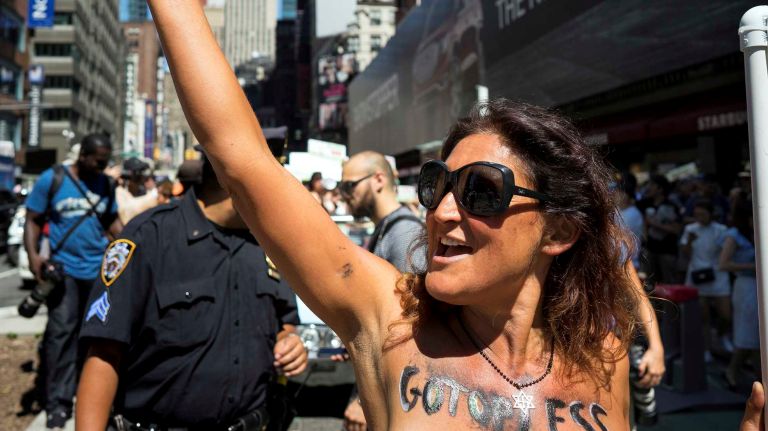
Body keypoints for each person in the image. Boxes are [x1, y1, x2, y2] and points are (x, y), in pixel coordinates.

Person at [151, 3, 646, 428]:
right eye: (437, 185)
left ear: (557, 231)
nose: (443, 212)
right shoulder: (393, 321)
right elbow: (243, 163)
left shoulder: (605, 358)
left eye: (481, 191)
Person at [76, 153, 308, 430]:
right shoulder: (150, 236)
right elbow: (104, 351)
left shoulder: (270, 243)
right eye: (273, 175)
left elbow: (285, 321)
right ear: (232, 175)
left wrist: (290, 341)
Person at [24, 133, 122, 430]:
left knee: (94, 338)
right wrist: (33, 258)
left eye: (106, 161)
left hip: (97, 273)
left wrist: (132, 241)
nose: (102, 166)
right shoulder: (52, 179)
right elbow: (32, 218)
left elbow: (111, 221)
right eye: (98, 160)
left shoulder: (105, 183)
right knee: (61, 338)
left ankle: (87, 395)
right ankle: (58, 403)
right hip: (64, 273)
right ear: (83, 156)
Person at [339, 151, 426, 430]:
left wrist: (365, 401)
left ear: (378, 179)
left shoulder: (403, 235)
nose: (343, 194)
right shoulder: (386, 229)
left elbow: (415, 329)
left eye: (349, 186)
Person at [680, 199, 731, 360]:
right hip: (696, 275)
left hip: (718, 275)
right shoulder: (690, 229)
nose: (699, 217)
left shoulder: (721, 230)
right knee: (703, 317)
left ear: (711, 214)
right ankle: (707, 349)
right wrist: (690, 240)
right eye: (696, 214)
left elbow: (726, 251)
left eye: (703, 214)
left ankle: (723, 336)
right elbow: (686, 252)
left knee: (726, 314)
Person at [720, 201, 758, 389]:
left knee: (757, 335)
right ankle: (732, 370)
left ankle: (757, 375)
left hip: (757, 286)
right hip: (746, 286)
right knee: (747, 333)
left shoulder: (757, 231)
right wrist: (755, 266)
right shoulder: (734, 235)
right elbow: (724, 264)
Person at [638, 175, 682, 285]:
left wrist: (654, 224)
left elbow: (676, 229)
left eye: (652, 185)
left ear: (660, 188)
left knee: (668, 283)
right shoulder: (644, 203)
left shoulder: (671, 206)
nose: (648, 187)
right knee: (649, 284)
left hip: (667, 251)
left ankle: (669, 303)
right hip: (649, 250)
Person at [115, 157, 168, 224]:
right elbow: (127, 212)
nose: (142, 177)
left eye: (142, 173)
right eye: (137, 174)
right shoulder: (119, 192)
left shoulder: (144, 191)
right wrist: (153, 195)